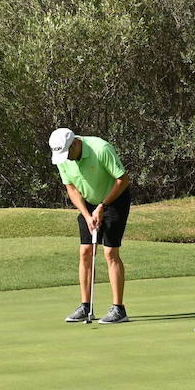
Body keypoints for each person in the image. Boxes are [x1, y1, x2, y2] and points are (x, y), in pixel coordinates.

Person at [49, 128, 133, 324]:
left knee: (110, 253)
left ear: (76, 144)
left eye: (67, 153)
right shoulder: (63, 158)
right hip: (88, 203)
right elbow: (70, 188)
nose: (65, 159)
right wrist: (87, 215)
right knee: (85, 251)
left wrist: (103, 206)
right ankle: (86, 306)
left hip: (114, 199)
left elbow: (123, 179)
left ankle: (119, 309)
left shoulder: (101, 148)